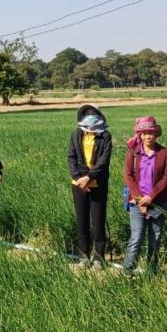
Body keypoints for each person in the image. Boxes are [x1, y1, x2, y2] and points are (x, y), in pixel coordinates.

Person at [122, 116, 167, 275]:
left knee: (155, 238)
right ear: (139, 135)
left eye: (150, 133)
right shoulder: (133, 153)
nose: (147, 137)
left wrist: (151, 197)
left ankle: (152, 271)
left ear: (156, 134)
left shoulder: (164, 153)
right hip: (136, 202)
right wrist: (139, 199)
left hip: (158, 202)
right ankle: (128, 272)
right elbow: (128, 176)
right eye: (143, 134)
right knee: (136, 238)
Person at [67, 104, 113, 269]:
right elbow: (71, 158)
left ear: (100, 115)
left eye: (93, 113)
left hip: (97, 184)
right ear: (82, 116)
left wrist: (89, 177)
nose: (90, 115)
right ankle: (83, 255)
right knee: (82, 221)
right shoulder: (76, 135)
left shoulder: (105, 136)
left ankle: (99, 257)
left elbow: (103, 161)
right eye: (87, 113)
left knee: (98, 221)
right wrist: (78, 178)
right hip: (78, 184)